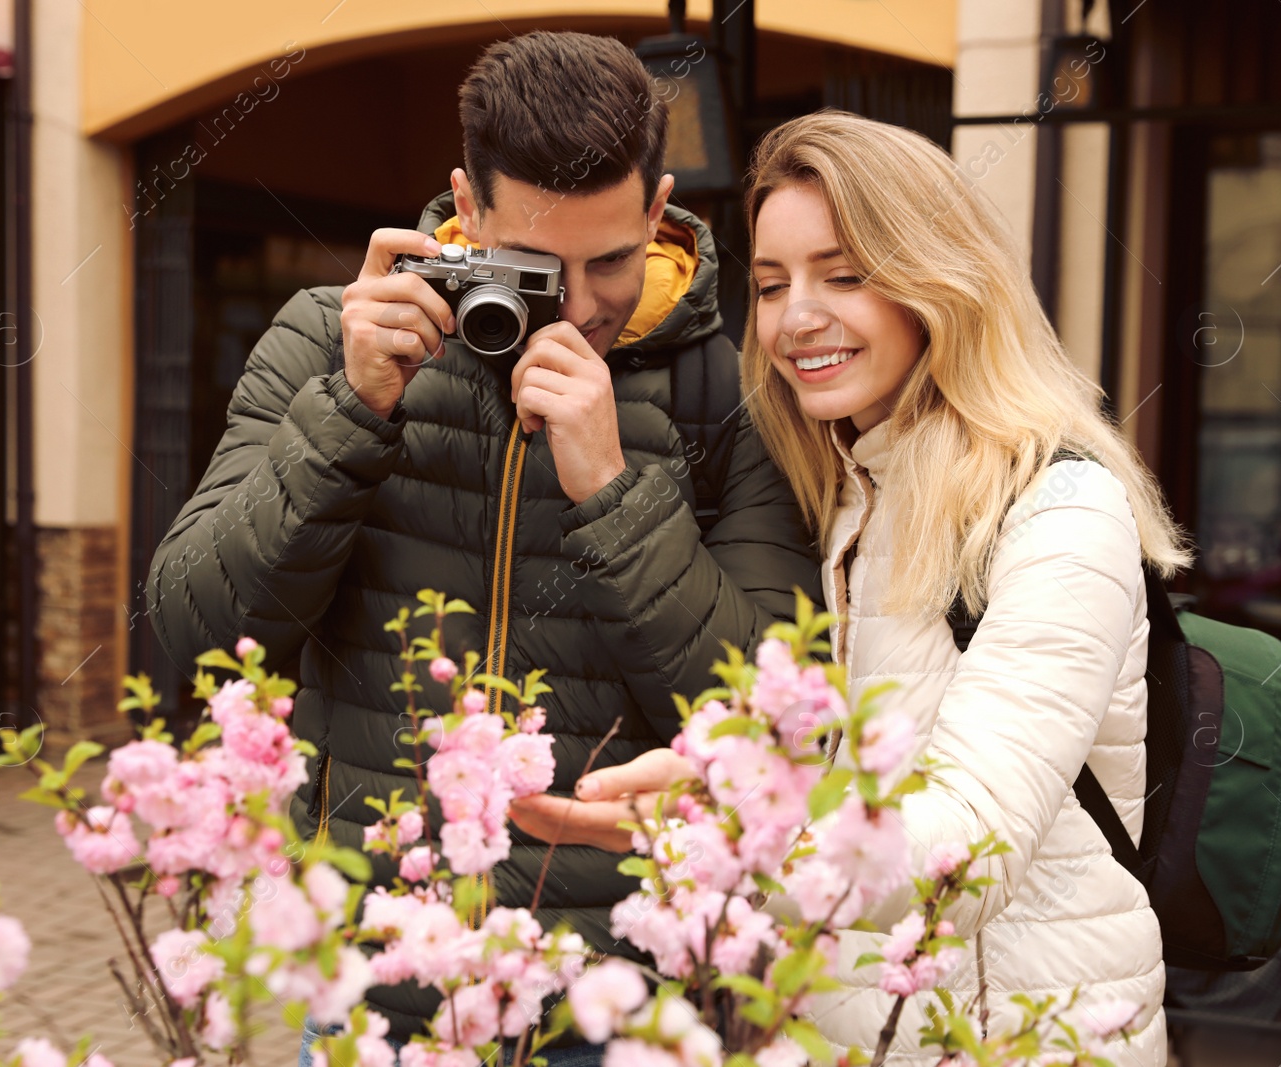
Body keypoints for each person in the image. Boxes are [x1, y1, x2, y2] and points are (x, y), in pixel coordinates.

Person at [145, 30, 821, 1067]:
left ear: (659, 206)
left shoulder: (726, 395)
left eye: (610, 259)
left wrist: (613, 486)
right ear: (465, 209)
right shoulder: (328, 341)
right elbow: (190, 633)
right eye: (536, 268)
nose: (583, 305)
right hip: (383, 978)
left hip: (621, 999)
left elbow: (757, 728)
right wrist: (351, 409)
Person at [510, 112, 1192, 1066]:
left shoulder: (1060, 509)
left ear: (941, 279)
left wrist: (734, 826)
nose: (796, 320)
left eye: (846, 275)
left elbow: (963, 849)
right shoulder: (849, 491)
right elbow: (853, 791)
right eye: (772, 284)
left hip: (1017, 1039)